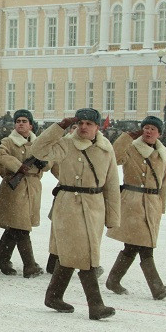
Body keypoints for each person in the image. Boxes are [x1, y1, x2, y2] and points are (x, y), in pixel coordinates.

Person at [28, 109, 120, 320]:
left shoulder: (106, 149)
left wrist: (113, 216)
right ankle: (96, 306)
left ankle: (53, 296)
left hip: (95, 206)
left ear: (98, 127)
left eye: (89, 123)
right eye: (81, 123)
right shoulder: (67, 144)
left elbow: (112, 183)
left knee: (71, 253)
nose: (84, 127)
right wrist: (59, 127)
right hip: (69, 205)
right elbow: (39, 150)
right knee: (84, 255)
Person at [105, 115, 166, 300]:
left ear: (159, 133)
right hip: (133, 203)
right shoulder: (132, 148)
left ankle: (113, 280)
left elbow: (164, 182)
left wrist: (161, 206)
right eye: (146, 127)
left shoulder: (162, 153)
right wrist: (127, 137)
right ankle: (157, 288)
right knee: (145, 246)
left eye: (153, 129)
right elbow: (113, 156)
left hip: (152, 204)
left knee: (133, 246)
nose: (149, 131)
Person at [0, 109, 49, 278]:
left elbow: (50, 161)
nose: (21, 124)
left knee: (15, 226)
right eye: (18, 121)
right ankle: (29, 265)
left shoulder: (38, 143)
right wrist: (19, 166)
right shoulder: (8, 141)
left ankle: (1, 258)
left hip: (32, 186)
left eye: (24, 121)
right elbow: (0, 154)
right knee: (21, 227)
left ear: (31, 125)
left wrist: (43, 162)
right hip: (14, 187)